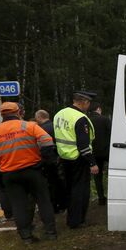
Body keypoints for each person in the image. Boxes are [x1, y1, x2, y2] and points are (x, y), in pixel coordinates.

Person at [0, 102, 58, 243]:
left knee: (18, 205)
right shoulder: (29, 126)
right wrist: (45, 162)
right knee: (43, 200)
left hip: (10, 175)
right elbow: (47, 142)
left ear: (2, 115)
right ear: (18, 112)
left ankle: (26, 236)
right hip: (33, 170)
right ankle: (50, 232)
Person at [54, 91, 98, 228]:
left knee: (70, 189)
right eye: (88, 103)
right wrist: (92, 162)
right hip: (78, 158)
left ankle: (71, 218)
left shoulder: (59, 114)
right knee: (80, 191)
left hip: (64, 157)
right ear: (84, 102)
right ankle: (77, 221)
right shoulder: (80, 118)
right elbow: (83, 144)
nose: (88, 106)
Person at [35, 109, 67, 213]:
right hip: (60, 157)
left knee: (51, 184)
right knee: (61, 182)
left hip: (48, 160)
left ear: (39, 117)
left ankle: (54, 206)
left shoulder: (40, 130)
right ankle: (64, 204)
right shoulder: (57, 126)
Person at [88, 101, 111, 205]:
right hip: (107, 152)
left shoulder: (87, 121)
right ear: (98, 109)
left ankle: (101, 198)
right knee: (112, 173)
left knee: (97, 176)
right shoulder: (105, 119)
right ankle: (113, 195)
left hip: (94, 153)